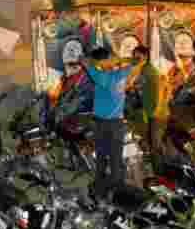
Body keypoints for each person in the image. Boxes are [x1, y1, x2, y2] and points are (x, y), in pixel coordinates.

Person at [84, 46, 139, 200]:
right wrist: (122, 60)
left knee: (102, 157)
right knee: (116, 157)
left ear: (100, 62)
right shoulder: (121, 72)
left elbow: (86, 62)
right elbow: (134, 62)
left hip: (104, 124)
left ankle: (105, 190)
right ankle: (117, 189)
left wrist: (95, 62)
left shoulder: (102, 76)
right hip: (117, 123)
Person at [45, 39, 93, 126]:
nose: (71, 52)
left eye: (74, 49)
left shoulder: (87, 82)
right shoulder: (60, 81)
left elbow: (77, 105)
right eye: (69, 49)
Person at [163, 31, 195, 107]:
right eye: (178, 42)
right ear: (174, 49)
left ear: (194, 51)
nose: (181, 43)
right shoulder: (168, 74)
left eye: (186, 41)